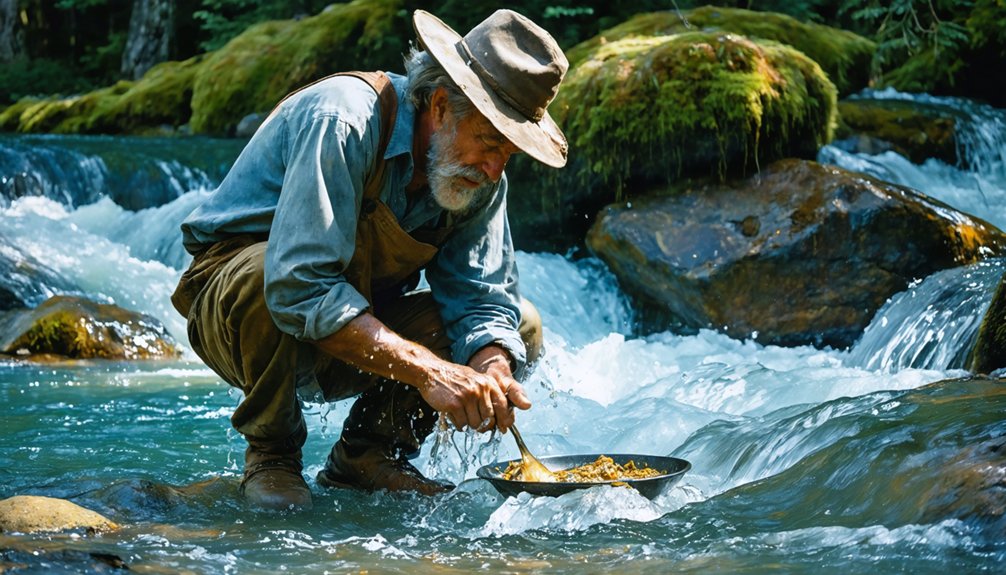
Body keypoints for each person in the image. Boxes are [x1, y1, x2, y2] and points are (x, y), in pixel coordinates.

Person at [170, 8, 569, 510]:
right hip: (240, 313)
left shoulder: (481, 178)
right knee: (266, 271)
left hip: (353, 323)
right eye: (490, 142)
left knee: (520, 327)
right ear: (440, 106)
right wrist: (431, 373)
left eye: (508, 154)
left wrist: (491, 366)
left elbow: (482, 299)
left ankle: (368, 457)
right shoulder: (343, 121)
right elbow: (299, 287)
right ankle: (271, 455)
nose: (493, 170)